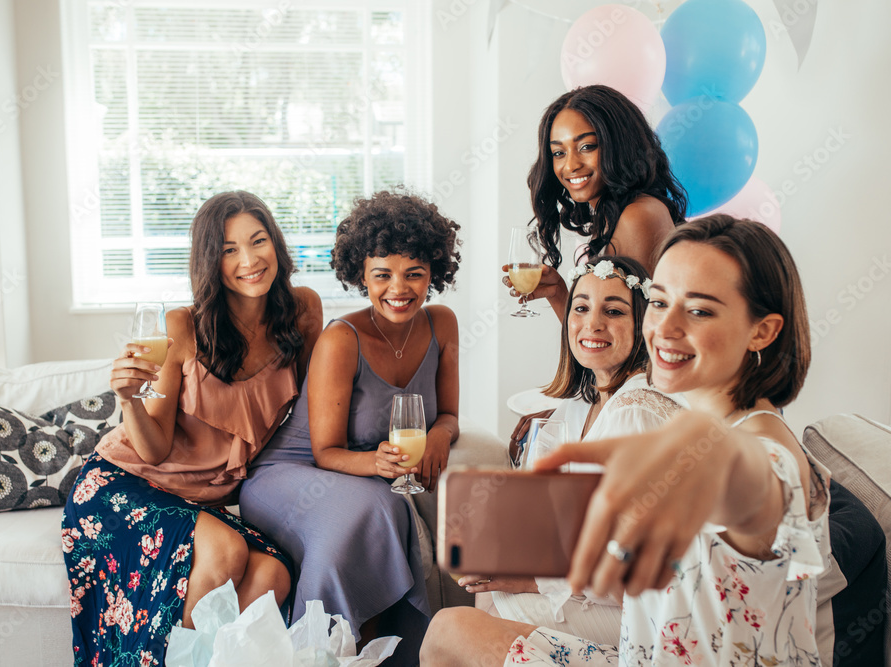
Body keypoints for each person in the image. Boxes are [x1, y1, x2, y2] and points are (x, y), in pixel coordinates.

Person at [422, 214, 830, 666]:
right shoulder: (699, 423)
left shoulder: (761, 448)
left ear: (763, 330)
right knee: (446, 632)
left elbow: (757, 482)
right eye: (658, 302)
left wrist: (717, 455)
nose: (665, 328)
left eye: (698, 309)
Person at [61, 191, 323, 666]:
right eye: (228, 249)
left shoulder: (302, 313)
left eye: (258, 241)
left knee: (272, 578)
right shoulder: (183, 326)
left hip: (199, 501)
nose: (248, 260)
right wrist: (127, 399)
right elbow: (155, 449)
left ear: (276, 245)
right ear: (211, 260)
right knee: (225, 551)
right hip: (128, 484)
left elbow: (315, 412)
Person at [240, 190, 461, 667]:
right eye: (382, 275)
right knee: (377, 506)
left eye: (414, 274)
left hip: (362, 473)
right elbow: (326, 452)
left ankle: (374, 656)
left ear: (434, 274)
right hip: (289, 472)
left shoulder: (443, 324)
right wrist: (376, 464)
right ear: (361, 275)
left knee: (386, 504)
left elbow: (448, 414)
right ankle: (318, 656)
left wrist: (441, 435)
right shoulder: (343, 338)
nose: (398, 289)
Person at [464, 256, 681, 643]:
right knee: (487, 597)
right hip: (593, 582)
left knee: (479, 618)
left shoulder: (635, 413)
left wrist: (530, 580)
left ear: (645, 325)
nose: (592, 324)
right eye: (580, 308)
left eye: (613, 311)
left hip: (645, 611)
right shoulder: (582, 402)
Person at [503, 85, 688, 322]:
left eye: (586, 147)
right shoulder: (612, 216)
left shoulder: (638, 216)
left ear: (620, 145)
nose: (570, 165)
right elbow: (595, 338)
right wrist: (558, 292)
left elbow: (631, 343)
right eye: (559, 153)